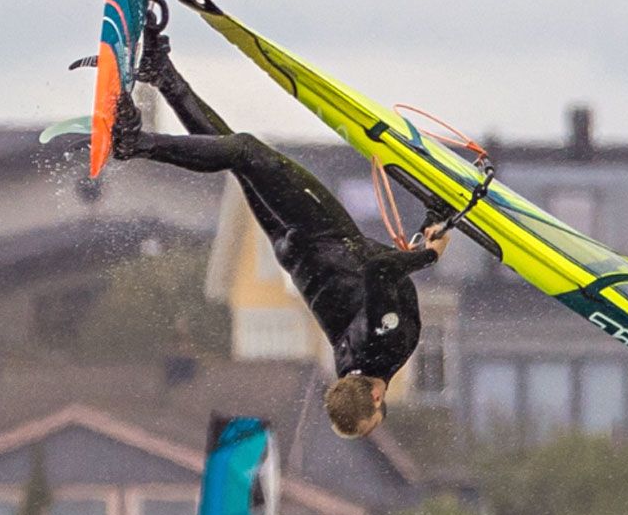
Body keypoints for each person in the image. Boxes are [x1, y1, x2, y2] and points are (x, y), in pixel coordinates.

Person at [110, 29, 451, 438]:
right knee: (239, 161)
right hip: (292, 251)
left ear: (377, 398)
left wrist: (429, 257)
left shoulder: (387, 346)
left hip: (318, 232)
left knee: (245, 151)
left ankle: (135, 143)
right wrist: (423, 236)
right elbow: (376, 286)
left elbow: (379, 271)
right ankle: (162, 73)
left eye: (377, 417)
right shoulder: (348, 368)